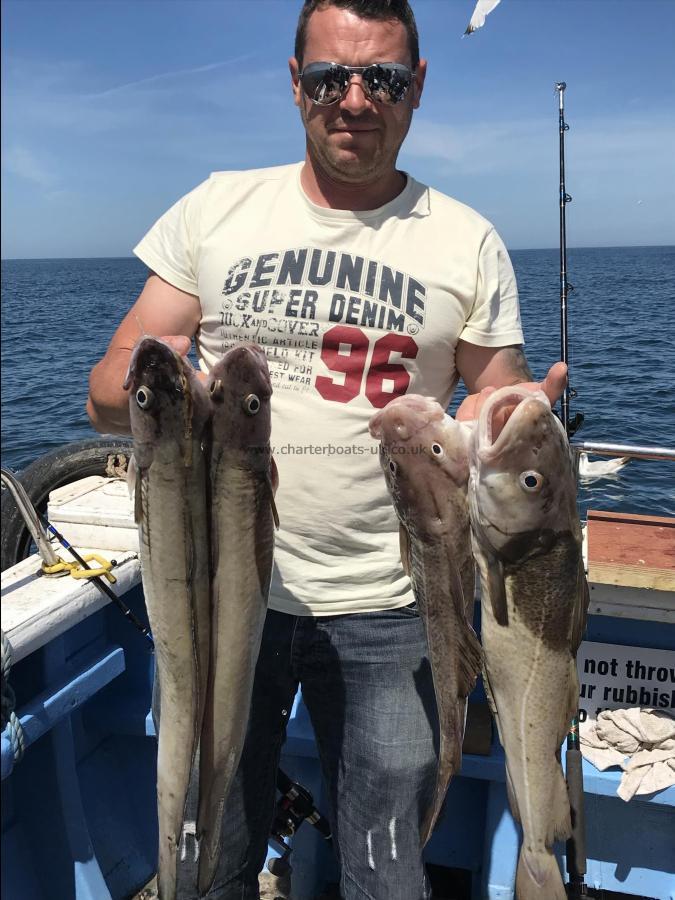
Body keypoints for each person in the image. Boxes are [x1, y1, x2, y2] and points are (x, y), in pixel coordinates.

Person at [87, 1, 567, 897]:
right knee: (210, 853)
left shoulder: (465, 239)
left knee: (385, 869)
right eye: (328, 78)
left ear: (415, 87)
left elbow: (495, 404)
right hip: (226, 595)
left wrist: (517, 419)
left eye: (380, 78)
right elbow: (112, 385)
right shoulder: (215, 206)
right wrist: (177, 398)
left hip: (396, 605)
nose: (353, 99)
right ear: (295, 82)